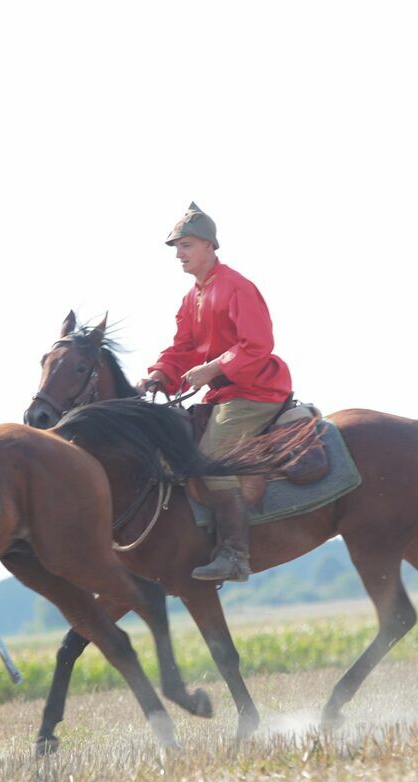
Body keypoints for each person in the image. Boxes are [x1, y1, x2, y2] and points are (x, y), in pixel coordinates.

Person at [139, 202, 293, 583]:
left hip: (255, 391)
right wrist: (160, 373)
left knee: (209, 462)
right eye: (176, 248)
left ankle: (235, 556)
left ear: (209, 245)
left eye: (186, 245)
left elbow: (257, 344)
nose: (179, 255)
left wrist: (213, 368)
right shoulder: (191, 298)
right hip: (222, 397)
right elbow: (182, 349)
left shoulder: (237, 287)